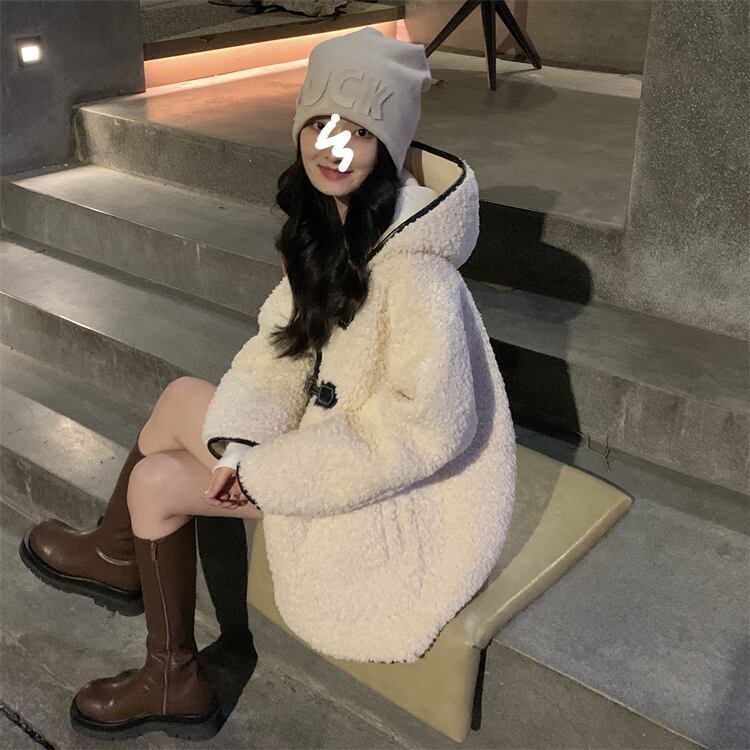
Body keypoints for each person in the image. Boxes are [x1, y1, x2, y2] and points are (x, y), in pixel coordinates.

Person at [19, 26, 517, 742]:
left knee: (157, 482)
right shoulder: (330, 232)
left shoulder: (418, 276)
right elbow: (277, 355)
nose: (332, 146)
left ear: (389, 145)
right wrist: (242, 443)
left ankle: (165, 658)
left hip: (376, 496)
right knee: (180, 399)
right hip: (326, 449)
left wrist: (267, 472)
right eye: (318, 123)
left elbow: (423, 432)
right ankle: (121, 562)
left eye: (358, 130)